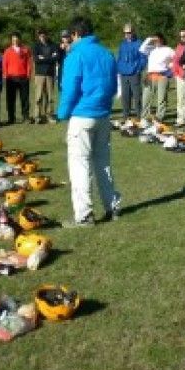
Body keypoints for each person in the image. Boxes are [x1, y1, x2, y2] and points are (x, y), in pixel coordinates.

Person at [56, 16, 123, 227]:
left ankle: (84, 214)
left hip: (82, 115)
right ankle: (112, 206)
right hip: (102, 115)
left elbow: (70, 88)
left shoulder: (75, 55)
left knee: (80, 165)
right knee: (103, 164)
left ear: (75, 34)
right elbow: (113, 86)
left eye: (70, 37)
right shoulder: (106, 53)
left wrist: (62, 113)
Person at [139, 33, 175, 123]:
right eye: (155, 40)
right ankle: (145, 116)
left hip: (162, 76)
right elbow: (141, 49)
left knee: (161, 98)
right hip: (150, 76)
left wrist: (170, 66)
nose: (156, 42)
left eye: (158, 39)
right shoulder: (151, 49)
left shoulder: (168, 49)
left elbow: (176, 60)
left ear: (162, 39)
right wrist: (149, 39)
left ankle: (159, 117)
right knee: (146, 98)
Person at [2, 33, 32, 124]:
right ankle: (11, 118)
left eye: (16, 39)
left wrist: (28, 74)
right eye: (13, 39)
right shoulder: (7, 51)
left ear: (20, 39)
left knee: (25, 98)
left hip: (23, 77)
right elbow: (4, 64)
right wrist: (5, 75)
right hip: (11, 78)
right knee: (11, 99)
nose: (15, 41)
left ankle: (25, 117)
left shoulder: (25, 50)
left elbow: (29, 63)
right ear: (11, 40)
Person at [116, 23, 144, 121]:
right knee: (125, 95)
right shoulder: (122, 44)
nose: (127, 34)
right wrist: (119, 68)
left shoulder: (139, 43)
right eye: (125, 33)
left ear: (133, 31)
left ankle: (139, 115)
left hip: (134, 73)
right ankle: (126, 115)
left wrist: (138, 68)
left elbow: (143, 58)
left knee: (137, 95)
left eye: (129, 32)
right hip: (123, 73)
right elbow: (119, 57)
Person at [32, 28, 60, 123]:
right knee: (38, 96)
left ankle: (49, 115)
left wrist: (43, 58)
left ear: (47, 35)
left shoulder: (53, 45)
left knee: (50, 96)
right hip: (39, 74)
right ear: (39, 36)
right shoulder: (36, 46)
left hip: (50, 74)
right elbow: (36, 59)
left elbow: (56, 57)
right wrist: (50, 57)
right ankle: (37, 116)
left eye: (44, 34)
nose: (42, 36)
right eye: (40, 35)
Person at [171, 28, 185, 127]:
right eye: (181, 36)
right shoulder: (178, 47)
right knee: (180, 98)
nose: (183, 38)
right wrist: (176, 73)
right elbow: (175, 61)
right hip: (179, 76)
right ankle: (180, 118)